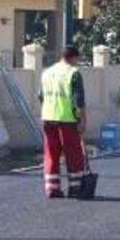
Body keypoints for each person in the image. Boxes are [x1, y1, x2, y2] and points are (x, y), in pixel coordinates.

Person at [39, 46, 87, 199]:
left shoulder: (47, 72)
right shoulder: (73, 73)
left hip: (48, 118)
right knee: (73, 154)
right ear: (73, 58)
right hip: (67, 120)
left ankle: (52, 189)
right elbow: (78, 101)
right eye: (77, 59)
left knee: (51, 154)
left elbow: (40, 95)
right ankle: (75, 188)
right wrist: (82, 120)